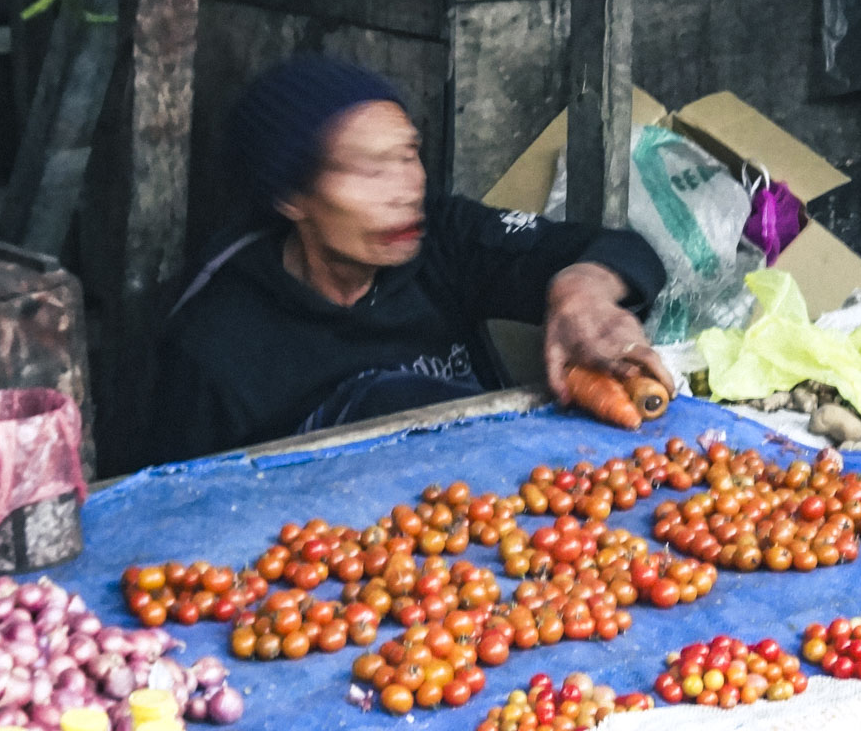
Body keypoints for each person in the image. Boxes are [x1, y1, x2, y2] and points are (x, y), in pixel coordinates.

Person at [151, 54, 670, 463]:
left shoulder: (442, 239)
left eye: (408, 155)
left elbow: (621, 249)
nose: (407, 188)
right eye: (370, 170)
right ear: (291, 198)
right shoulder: (214, 346)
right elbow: (173, 509)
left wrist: (581, 290)